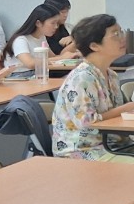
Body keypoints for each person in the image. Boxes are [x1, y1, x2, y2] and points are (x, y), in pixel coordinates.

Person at [52, 14, 134, 162]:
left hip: (113, 144)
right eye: (115, 34)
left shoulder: (111, 75)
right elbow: (86, 122)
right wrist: (128, 107)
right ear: (94, 45)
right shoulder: (82, 78)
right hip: (83, 150)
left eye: (121, 32)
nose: (122, 38)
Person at [3, 4, 67, 69]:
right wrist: (61, 58)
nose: (56, 27)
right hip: (21, 74)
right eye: (53, 23)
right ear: (38, 23)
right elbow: (30, 64)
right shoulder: (20, 40)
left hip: (36, 72)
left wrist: (65, 57)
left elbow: (52, 57)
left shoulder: (42, 37)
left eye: (57, 23)